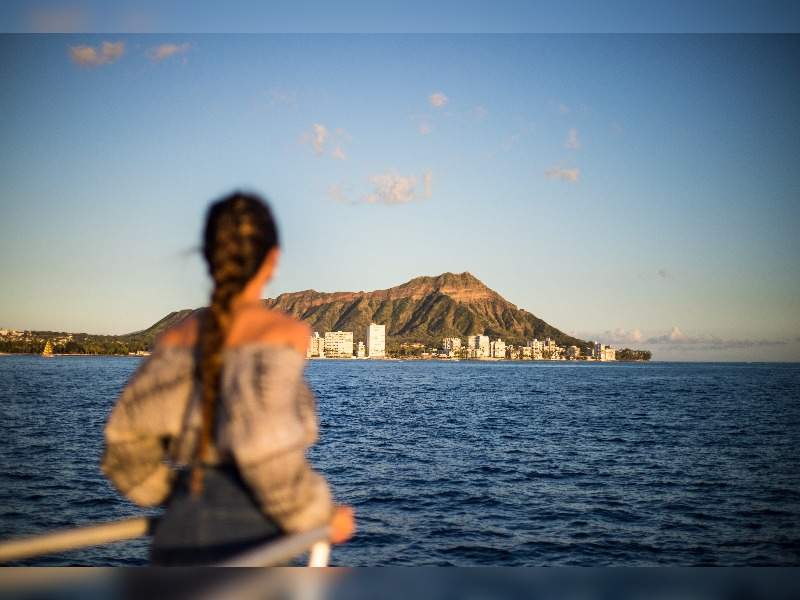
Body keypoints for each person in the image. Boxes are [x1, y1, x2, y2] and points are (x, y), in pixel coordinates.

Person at [100, 191, 354, 565]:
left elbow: (123, 450)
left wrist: (181, 493)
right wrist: (321, 516)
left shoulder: (175, 336)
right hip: (247, 544)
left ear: (208, 256)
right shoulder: (282, 334)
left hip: (177, 537)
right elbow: (264, 453)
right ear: (273, 260)